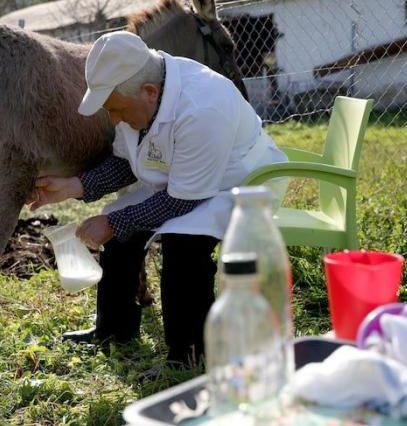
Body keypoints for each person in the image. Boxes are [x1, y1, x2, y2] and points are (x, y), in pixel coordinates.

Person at [28, 31, 287, 365]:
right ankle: (114, 328)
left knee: (184, 242)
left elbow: (181, 202)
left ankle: (188, 351)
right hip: (184, 181)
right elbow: (126, 163)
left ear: (149, 93)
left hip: (241, 182)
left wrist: (113, 223)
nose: (114, 119)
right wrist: (74, 186)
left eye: (116, 110)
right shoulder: (139, 92)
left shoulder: (203, 108)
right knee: (122, 225)